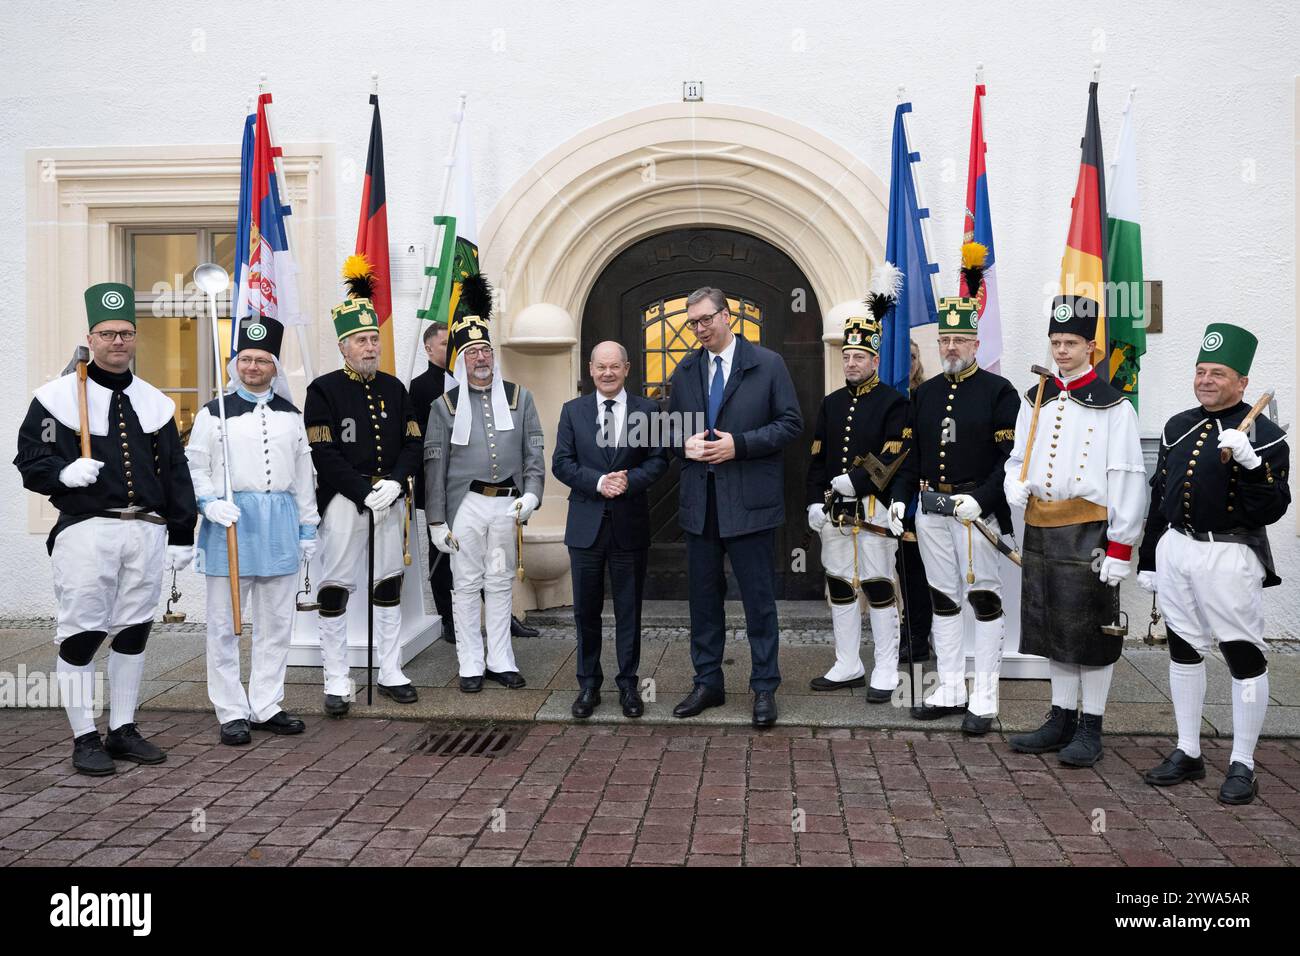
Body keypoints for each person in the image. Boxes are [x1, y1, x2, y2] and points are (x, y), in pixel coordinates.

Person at [15, 282, 197, 775]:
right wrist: (62, 473)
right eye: (108, 333)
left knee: (134, 631)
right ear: (90, 338)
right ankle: (84, 737)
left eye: (126, 333)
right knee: (82, 631)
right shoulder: (55, 398)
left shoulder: (155, 402)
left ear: (135, 339)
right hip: (86, 529)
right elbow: (30, 458)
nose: (118, 342)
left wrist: (183, 531)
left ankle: (122, 728)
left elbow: (174, 471)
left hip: (147, 530)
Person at [1138, 324, 1290, 805]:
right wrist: (1148, 556)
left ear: (1242, 382)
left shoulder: (1264, 436)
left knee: (1243, 654)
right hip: (1178, 548)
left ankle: (1243, 762)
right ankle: (1188, 749)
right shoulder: (1176, 425)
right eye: (1200, 371)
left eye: (1217, 373)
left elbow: (1272, 509)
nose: (1206, 380)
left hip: (1230, 554)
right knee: (1182, 648)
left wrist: (1251, 466)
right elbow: (1159, 494)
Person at [1004, 295, 1146, 767]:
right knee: (1052, 627)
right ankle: (1061, 717)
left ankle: (1092, 725)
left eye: (1071, 343)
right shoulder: (1036, 398)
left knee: (1090, 630)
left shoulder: (1114, 406)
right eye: (1056, 342)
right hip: (1042, 524)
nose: (1061, 351)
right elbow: (1015, 458)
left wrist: (1121, 547)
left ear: (1092, 348)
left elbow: (1127, 475)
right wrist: (1013, 485)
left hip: (1090, 530)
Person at [666, 287, 803, 728]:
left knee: (759, 602)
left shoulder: (768, 364)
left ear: (728, 317)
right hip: (700, 506)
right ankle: (708, 681)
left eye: (706, 320)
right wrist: (679, 442)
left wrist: (738, 446)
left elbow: (791, 424)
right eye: (693, 324)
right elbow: (671, 429)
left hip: (750, 503)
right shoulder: (685, 369)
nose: (700, 330)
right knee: (703, 601)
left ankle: (764, 687)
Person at [901, 244, 1020, 734]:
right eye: (945, 339)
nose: (951, 347)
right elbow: (912, 456)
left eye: (960, 339)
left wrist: (984, 499)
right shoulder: (924, 395)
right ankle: (951, 686)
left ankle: (985, 698)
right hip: (931, 511)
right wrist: (901, 504)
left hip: (975, 511)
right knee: (942, 597)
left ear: (976, 344)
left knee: (983, 599)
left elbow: (1009, 460)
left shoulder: (999, 392)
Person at [185, 316, 318, 746]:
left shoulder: (291, 416)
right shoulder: (213, 413)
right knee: (225, 623)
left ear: (275, 367)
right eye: (246, 359)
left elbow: (303, 473)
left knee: (277, 621)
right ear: (234, 364)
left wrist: (307, 525)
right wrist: (208, 502)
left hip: (279, 521)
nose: (254, 367)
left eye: (262, 360)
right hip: (231, 521)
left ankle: (266, 703)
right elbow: (194, 465)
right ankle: (230, 709)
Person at [304, 256, 423, 717]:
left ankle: (390, 669)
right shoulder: (324, 390)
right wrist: (361, 490)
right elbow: (323, 452)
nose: (370, 346)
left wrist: (394, 483)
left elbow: (413, 443)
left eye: (374, 338)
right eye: (361, 340)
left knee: (388, 584)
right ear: (343, 346)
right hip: (343, 503)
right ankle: (337, 679)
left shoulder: (395, 388)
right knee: (335, 588)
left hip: (391, 501)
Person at [424, 273, 545, 693]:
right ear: (461, 359)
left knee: (499, 582)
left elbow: (534, 449)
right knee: (465, 585)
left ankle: (501, 660)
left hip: (506, 505)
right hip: (466, 507)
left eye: (486, 351)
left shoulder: (520, 397)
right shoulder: (444, 406)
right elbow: (434, 466)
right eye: (473, 352)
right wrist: (437, 521)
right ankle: (470, 664)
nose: (481, 359)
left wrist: (532, 493)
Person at [807, 266, 911, 703]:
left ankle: (886, 667)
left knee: (878, 585)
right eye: (847, 356)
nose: (851, 362)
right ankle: (847, 662)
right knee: (839, 584)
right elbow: (816, 456)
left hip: (875, 510)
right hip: (835, 513)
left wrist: (854, 481)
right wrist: (814, 501)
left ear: (874, 359)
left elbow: (894, 453)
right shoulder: (830, 404)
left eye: (859, 357)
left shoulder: (894, 401)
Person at [552, 341, 668, 718]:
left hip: (629, 526)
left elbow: (658, 460)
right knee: (585, 611)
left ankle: (629, 686)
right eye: (600, 367)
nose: (607, 373)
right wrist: (599, 482)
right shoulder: (573, 411)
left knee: (628, 610)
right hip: (585, 526)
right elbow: (562, 463)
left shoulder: (648, 410)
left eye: (614, 367)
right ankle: (588, 684)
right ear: (590, 369)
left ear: (627, 368)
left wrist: (628, 481)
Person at [409, 321, 456, 644]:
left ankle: (502, 615)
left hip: (470, 481)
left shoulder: (467, 379)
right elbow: (419, 436)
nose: (450, 348)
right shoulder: (420, 385)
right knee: (441, 553)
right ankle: (447, 619)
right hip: (437, 480)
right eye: (443, 344)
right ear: (428, 349)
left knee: (480, 550)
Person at [897, 335, 933, 665]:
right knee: (901, 571)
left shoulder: (927, 397)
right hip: (885, 498)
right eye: (899, 357)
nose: (905, 364)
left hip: (918, 496)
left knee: (920, 572)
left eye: (910, 357)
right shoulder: (885, 397)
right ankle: (906, 632)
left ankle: (919, 635)